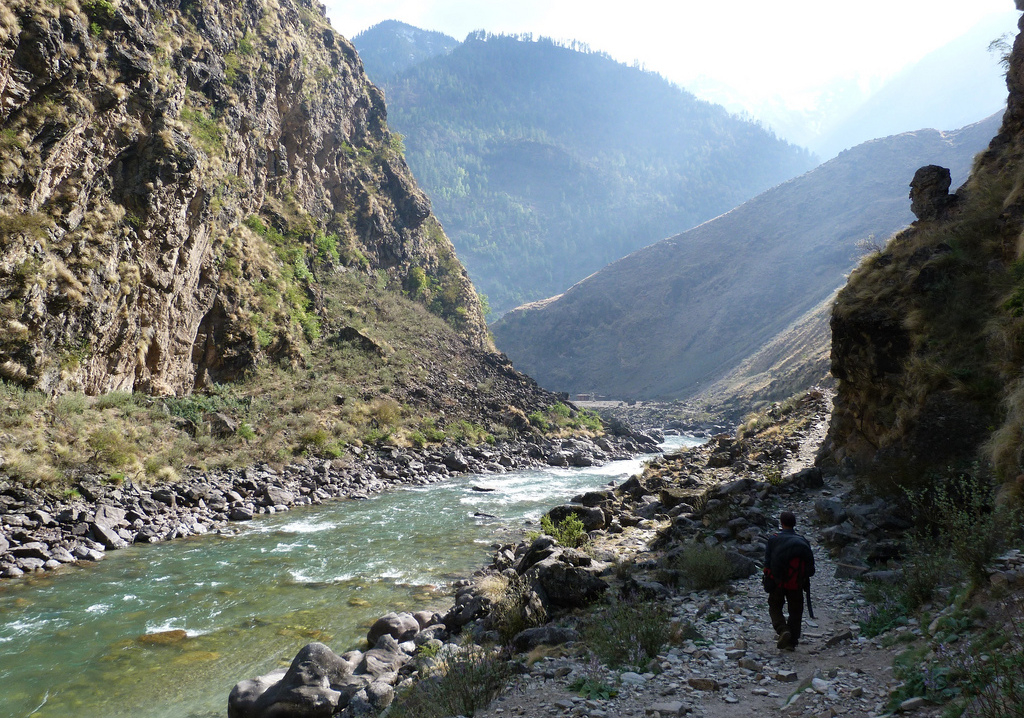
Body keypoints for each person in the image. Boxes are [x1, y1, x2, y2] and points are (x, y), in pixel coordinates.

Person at [763, 510, 815, 651]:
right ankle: (791, 642)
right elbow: (811, 570)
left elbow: (767, 564)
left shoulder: (773, 539)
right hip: (797, 583)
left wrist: (768, 579)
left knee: (774, 606)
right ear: (794, 524)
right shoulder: (803, 541)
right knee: (796, 611)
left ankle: (782, 629)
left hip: (777, 582)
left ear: (781, 523)